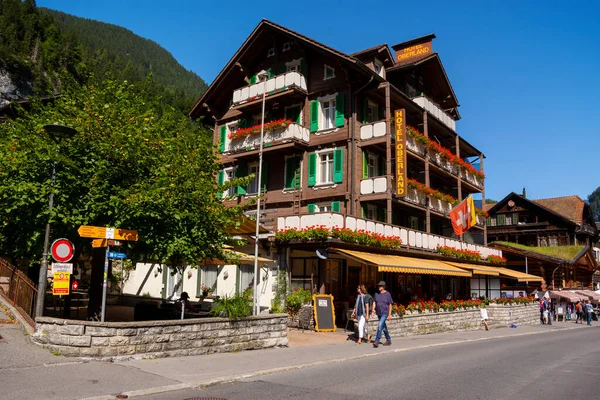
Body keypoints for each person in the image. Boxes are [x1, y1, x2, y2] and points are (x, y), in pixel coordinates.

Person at [371, 281, 393, 348]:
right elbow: (374, 302)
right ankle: (388, 339)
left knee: (380, 325)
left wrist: (389, 314)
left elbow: (390, 304)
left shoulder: (387, 294)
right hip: (379, 312)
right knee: (383, 327)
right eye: (378, 286)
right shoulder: (376, 294)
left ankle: (377, 341)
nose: (379, 287)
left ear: (383, 287)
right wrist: (372, 311)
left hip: (385, 312)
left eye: (380, 286)